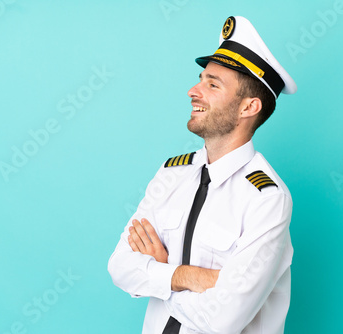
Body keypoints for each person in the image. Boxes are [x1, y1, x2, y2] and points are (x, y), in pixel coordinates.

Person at [108, 16, 297, 334]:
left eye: (212, 84)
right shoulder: (172, 173)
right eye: (201, 79)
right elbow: (119, 267)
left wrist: (160, 272)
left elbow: (223, 319)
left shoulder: (268, 199)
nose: (192, 91)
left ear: (247, 108)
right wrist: (187, 277)